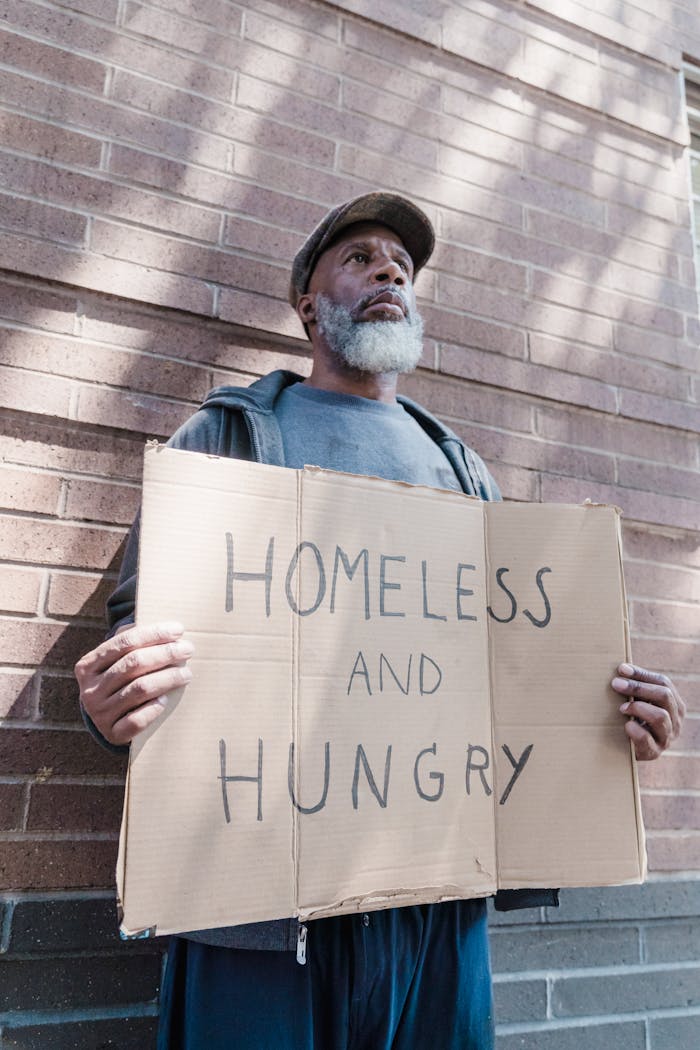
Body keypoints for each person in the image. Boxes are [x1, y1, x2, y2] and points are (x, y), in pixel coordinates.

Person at [75, 192, 686, 1049]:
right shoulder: (228, 439)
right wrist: (114, 706)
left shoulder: (462, 472)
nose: (388, 269)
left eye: (400, 263)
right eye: (359, 258)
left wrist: (609, 721)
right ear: (309, 304)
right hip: (258, 913)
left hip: (436, 907)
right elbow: (138, 641)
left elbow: (516, 674)